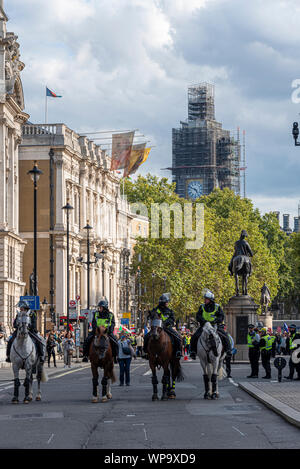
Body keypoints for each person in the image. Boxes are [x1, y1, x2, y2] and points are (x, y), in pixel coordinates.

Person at [190, 290, 232, 361]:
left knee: (225, 336)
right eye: (205, 299)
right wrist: (203, 321)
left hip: (215, 326)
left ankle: (228, 351)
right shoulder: (202, 306)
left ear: (211, 300)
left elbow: (221, 316)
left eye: (206, 299)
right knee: (194, 337)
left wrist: (215, 320)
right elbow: (198, 316)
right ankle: (193, 352)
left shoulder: (217, 307)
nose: (205, 300)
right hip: (204, 326)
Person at [143, 293, 182, 359]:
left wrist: (166, 323)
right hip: (157, 328)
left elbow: (172, 319)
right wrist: (150, 314)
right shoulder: (155, 310)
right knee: (146, 337)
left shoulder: (170, 311)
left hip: (167, 327)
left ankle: (178, 351)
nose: (167, 303)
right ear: (162, 303)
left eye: (167, 302)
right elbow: (150, 316)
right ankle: (146, 352)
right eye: (166, 302)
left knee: (177, 337)